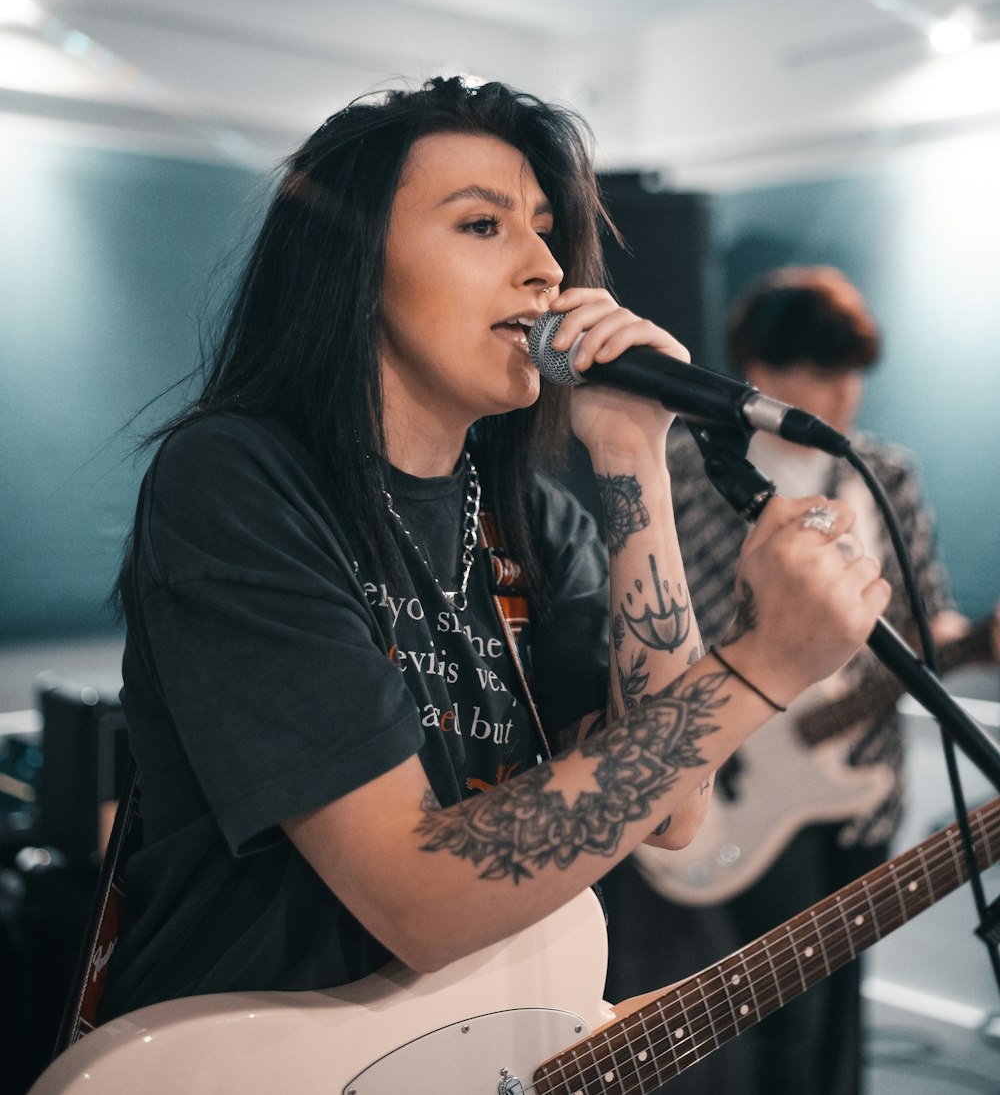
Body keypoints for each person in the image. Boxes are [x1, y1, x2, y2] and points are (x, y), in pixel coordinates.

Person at [98, 84, 889, 1052]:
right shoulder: (239, 479)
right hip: (250, 1061)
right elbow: (415, 898)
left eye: (548, 233)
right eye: (482, 224)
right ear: (353, 266)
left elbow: (670, 809)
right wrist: (766, 663)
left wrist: (632, 451)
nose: (546, 269)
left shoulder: (535, 520)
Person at [613, 265, 970, 1095]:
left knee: (845, 1008)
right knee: (780, 1017)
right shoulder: (688, 473)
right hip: (746, 774)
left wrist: (976, 642)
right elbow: (669, 628)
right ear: (761, 373)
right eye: (817, 374)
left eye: (850, 375)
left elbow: (927, 617)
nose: (840, 397)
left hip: (861, 777)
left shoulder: (886, 474)